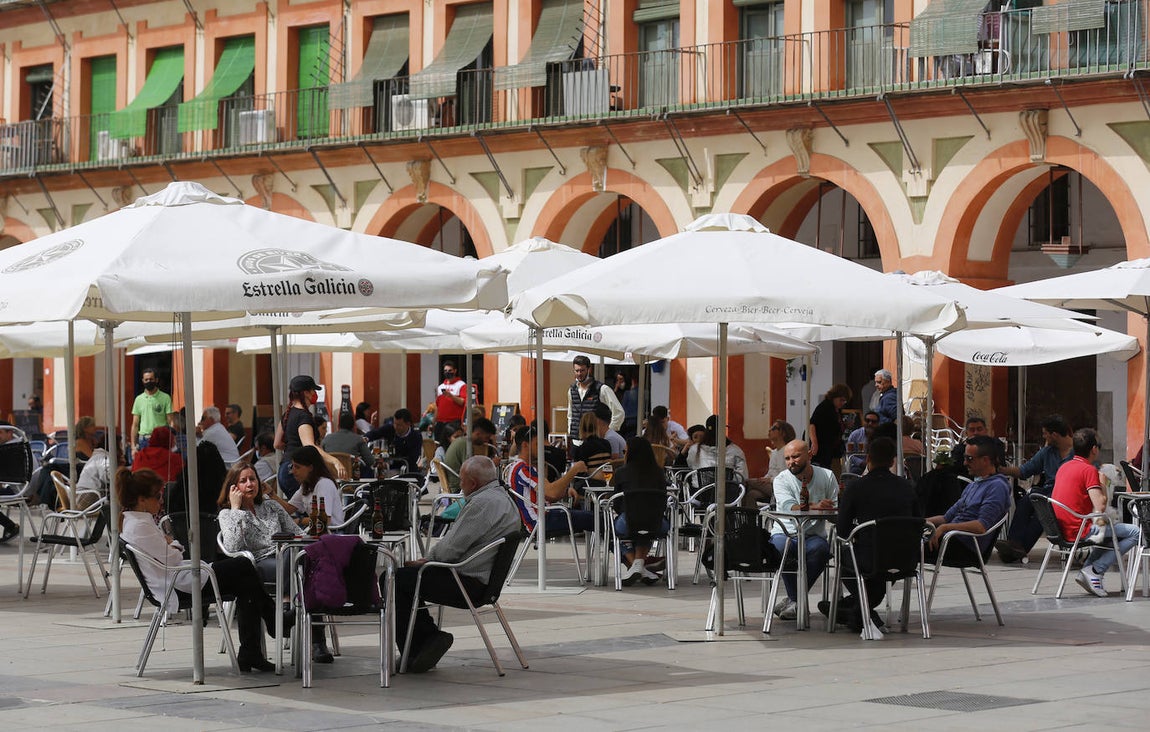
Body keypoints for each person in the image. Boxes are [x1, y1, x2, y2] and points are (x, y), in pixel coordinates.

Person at [117, 467, 284, 673]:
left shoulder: (135, 521)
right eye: (158, 496)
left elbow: (169, 554)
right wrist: (174, 544)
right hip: (177, 585)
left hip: (178, 578)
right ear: (142, 499)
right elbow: (174, 556)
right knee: (243, 566)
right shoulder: (140, 526)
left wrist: (171, 544)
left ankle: (253, 647)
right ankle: (270, 623)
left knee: (245, 580)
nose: (161, 500)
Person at [387, 455, 521, 673]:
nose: (459, 484)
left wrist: (427, 560)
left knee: (394, 579)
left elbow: (449, 550)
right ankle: (426, 640)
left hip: (467, 583)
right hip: (486, 584)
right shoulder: (503, 499)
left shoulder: (481, 504)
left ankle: (420, 645)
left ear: (473, 483)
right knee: (409, 579)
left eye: (462, 479)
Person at [824, 436, 920, 633]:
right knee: (878, 566)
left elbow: (842, 530)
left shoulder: (856, 487)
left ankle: (859, 611)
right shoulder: (907, 487)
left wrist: (859, 535)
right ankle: (861, 611)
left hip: (871, 558)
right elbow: (918, 521)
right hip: (905, 559)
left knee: (842, 556)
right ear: (893, 461)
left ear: (868, 458)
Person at [1051, 428, 1140, 597]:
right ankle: (1096, 570)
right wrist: (1103, 484)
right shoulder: (1088, 470)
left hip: (1060, 529)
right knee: (1135, 532)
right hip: (1080, 530)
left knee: (1109, 533)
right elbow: (1100, 505)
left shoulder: (1064, 467)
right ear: (1093, 449)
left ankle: (1088, 571)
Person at [769, 440, 837, 621]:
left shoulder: (827, 476)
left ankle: (794, 599)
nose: (791, 461)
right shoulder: (781, 479)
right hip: (785, 531)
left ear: (809, 455)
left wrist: (830, 509)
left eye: (796, 456)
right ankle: (797, 600)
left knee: (821, 550)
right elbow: (789, 507)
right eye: (788, 458)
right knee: (782, 549)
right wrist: (817, 506)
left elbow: (835, 509)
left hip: (813, 534)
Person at [995, 415, 1074, 563]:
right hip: (1048, 493)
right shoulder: (1047, 452)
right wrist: (1001, 469)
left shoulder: (1078, 452)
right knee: (1029, 499)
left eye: (1045, 433)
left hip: (1067, 497)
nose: (1043, 436)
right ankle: (1015, 544)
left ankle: (1018, 549)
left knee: (1042, 508)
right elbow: (1024, 471)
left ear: (1054, 435)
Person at [924, 435, 1011, 566]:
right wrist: (919, 522)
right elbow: (946, 518)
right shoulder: (974, 485)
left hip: (967, 548)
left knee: (902, 545)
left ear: (986, 460)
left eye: (969, 459)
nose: (964, 463)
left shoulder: (997, 487)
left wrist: (945, 528)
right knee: (901, 537)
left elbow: (981, 526)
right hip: (953, 539)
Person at [216, 462, 301, 585]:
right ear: (233, 488)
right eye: (243, 481)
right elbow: (232, 548)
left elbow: (297, 532)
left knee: (309, 557)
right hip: (257, 562)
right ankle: (286, 600)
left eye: (252, 479)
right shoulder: (227, 514)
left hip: (285, 554)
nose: (250, 484)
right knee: (292, 562)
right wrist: (236, 509)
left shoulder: (271, 505)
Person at [508, 427, 594, 535]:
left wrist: (565, 491)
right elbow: (552, 493)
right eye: (537, 444)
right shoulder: (523, 470)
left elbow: (551, 494)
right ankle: (619, 549)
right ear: (525, 445)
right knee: (596, 519)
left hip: (542, 516)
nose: (541, 448)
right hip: (539, 521)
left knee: (593, 517)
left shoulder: (522, 468)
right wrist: (573, 471)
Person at [275, 375, 344, 499]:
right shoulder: (303, 416)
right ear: (306, 392)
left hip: (284, 470)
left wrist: (294, 447)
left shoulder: (287, 414)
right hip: (297, 470)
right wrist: (335, 461)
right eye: (313, 390)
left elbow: (277, 444)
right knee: (311, 512)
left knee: (300, 510)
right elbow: (309, 446)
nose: (314, 394)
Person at [614, 437, 671, 584]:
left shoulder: (621, 473)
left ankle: (636, 566)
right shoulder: (658, 472)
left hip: (628, 522)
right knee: (646, 525)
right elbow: (663, 503)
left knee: (613, 527)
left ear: (630, 453)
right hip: (658, 524)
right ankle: (640, 567)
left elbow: (616, 504)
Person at [565, 355, 624, 446]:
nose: (579, 373)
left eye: (582, 370)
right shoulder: (572, 390)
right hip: (576, 441)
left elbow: (619, 412)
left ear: (589, 369)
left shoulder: (602, 389)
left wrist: (608, 432)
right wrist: (570, 429)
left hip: (596, 442)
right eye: (577, 371)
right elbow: (570, 414)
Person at [286, 445, 346, 529]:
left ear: (310, 468)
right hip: (318, 532)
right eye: (292, 466)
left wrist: (300, 521)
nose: (293, 471)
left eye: (297, 467)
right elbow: (288, 509)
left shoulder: (324, 484)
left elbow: (325, 520)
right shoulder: (307, 485)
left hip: (331, 535)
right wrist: (271, 494)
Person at [743, 420, 795, 507]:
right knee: (751, 494)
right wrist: (764, 479)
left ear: (783, 433)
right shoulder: (774, 452)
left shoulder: (787, 451)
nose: (770, 430)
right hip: (771, 485)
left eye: (774, 428)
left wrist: (769, 480)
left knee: (746, 482)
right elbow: (771, 472)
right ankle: (750, 520)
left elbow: (786, 475)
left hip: (781, 486)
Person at [442, 417, 497, 492]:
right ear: (478, 434)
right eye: (486, 437)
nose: (487, 441)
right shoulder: (465, 444)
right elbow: (470, 471)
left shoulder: (461, 441)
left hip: (457, 484)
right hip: (460, 488)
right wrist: (492, 464)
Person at [687, 415, 748, 480]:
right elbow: (743, 475)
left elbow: (691, 465)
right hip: (728, 488)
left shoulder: (694, 449)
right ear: (722, 431)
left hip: (700, 489)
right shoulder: (736, 451)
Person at [808, 383, 851, 473]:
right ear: (834, 397)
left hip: (832, 448)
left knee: (835, 472)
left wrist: (845, 425)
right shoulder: (825, 407)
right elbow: (812, 424)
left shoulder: (836, 409)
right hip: (822, 447)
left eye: (844, 401)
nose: (842, 403)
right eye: (841, 400)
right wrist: (814, 443)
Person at [130, 368, 175, 452]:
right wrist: (133, 446)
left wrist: (172, 440)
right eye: (146, 380)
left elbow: (171, 421)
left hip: (160, 439)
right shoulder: (138, 399)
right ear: (143, 381)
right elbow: (135, 424)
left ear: (156, 380)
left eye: (151, 379)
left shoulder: (165, 398)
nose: (148, 382)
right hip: (144, 440)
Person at [75, 434, 120, 510]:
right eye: (120, 446)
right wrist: (119, 473)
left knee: (114, 502)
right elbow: (108, 476)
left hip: (81, 496)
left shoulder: (97, 456)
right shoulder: (104, 458)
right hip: (88, 496)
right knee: (116, 505)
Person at [322, 412, 375, 476]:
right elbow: (370, 461)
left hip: (331, 478)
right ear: (353, 426)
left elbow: (321, 459)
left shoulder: (326, 439)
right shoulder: (358, 439)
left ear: (338, 425)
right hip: (351, 480)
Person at [0, 423, 23, 541]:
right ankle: (10, 526)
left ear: (10, 433)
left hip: (19, 491)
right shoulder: (18, 444)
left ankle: (10, 526)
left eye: (0, 432)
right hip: (23, 488)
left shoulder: (9, 450)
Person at [434, 361, 467, 433]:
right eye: (445, 371)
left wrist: (451, 396)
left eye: (450, 370)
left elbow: (463, 402)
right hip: (440, 422)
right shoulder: (441, 387)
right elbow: (437, 406)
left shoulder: (461, 385)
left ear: (455, 371)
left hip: (454, 422)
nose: (447, 372)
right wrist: (433, 422)